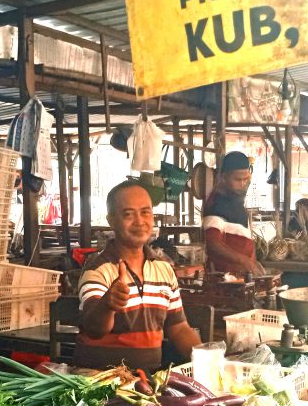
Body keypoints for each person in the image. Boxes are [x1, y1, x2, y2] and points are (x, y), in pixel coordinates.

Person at [75, 181, 202, 371]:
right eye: (128, 214)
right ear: (111, 220)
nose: (139, 221)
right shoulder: (98, 270)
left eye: (145, 212)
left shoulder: (164, 269)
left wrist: (208, 360)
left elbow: (179, 328)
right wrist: (107, 304)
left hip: (147, 382)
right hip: (99, 381)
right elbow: (94, 328)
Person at [202, 151, 264, 274]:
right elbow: (212, 244)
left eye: (246, 179)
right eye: (237, 179)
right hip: (224, 280)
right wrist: (244, 261)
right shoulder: (217, 203)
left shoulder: (235, 199)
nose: (242, 184)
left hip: (240, 277)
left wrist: (253, 262)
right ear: (223, 177)